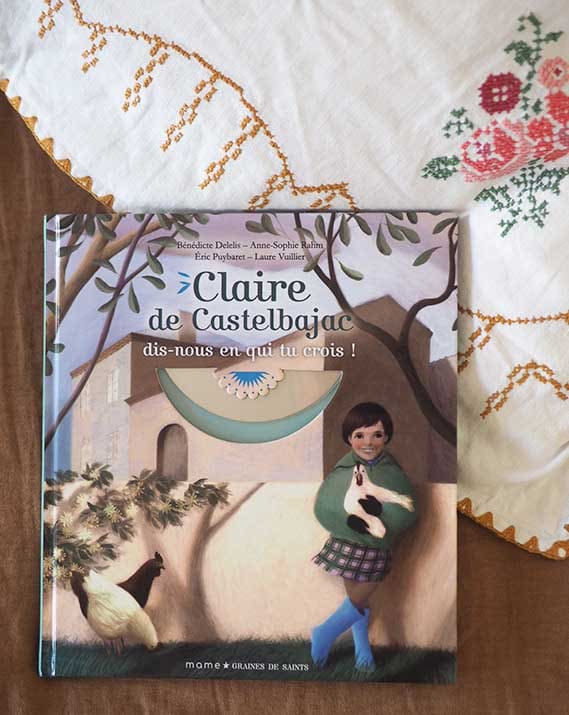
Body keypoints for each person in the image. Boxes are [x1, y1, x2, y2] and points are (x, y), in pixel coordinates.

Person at [311, 401, 417, 670]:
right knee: (358, 598)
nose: (368, 442)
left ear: (387, 436)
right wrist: (349, 518)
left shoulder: (392, 472)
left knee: (358, 597)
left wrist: (380, 511)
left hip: (376, 545)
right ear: (349, 438)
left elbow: (405, 506)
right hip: (346, 541)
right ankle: (363, 651)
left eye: (376, 435)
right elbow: (327, 502)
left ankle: (324, 632)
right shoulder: (343, 469)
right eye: (360, 435)